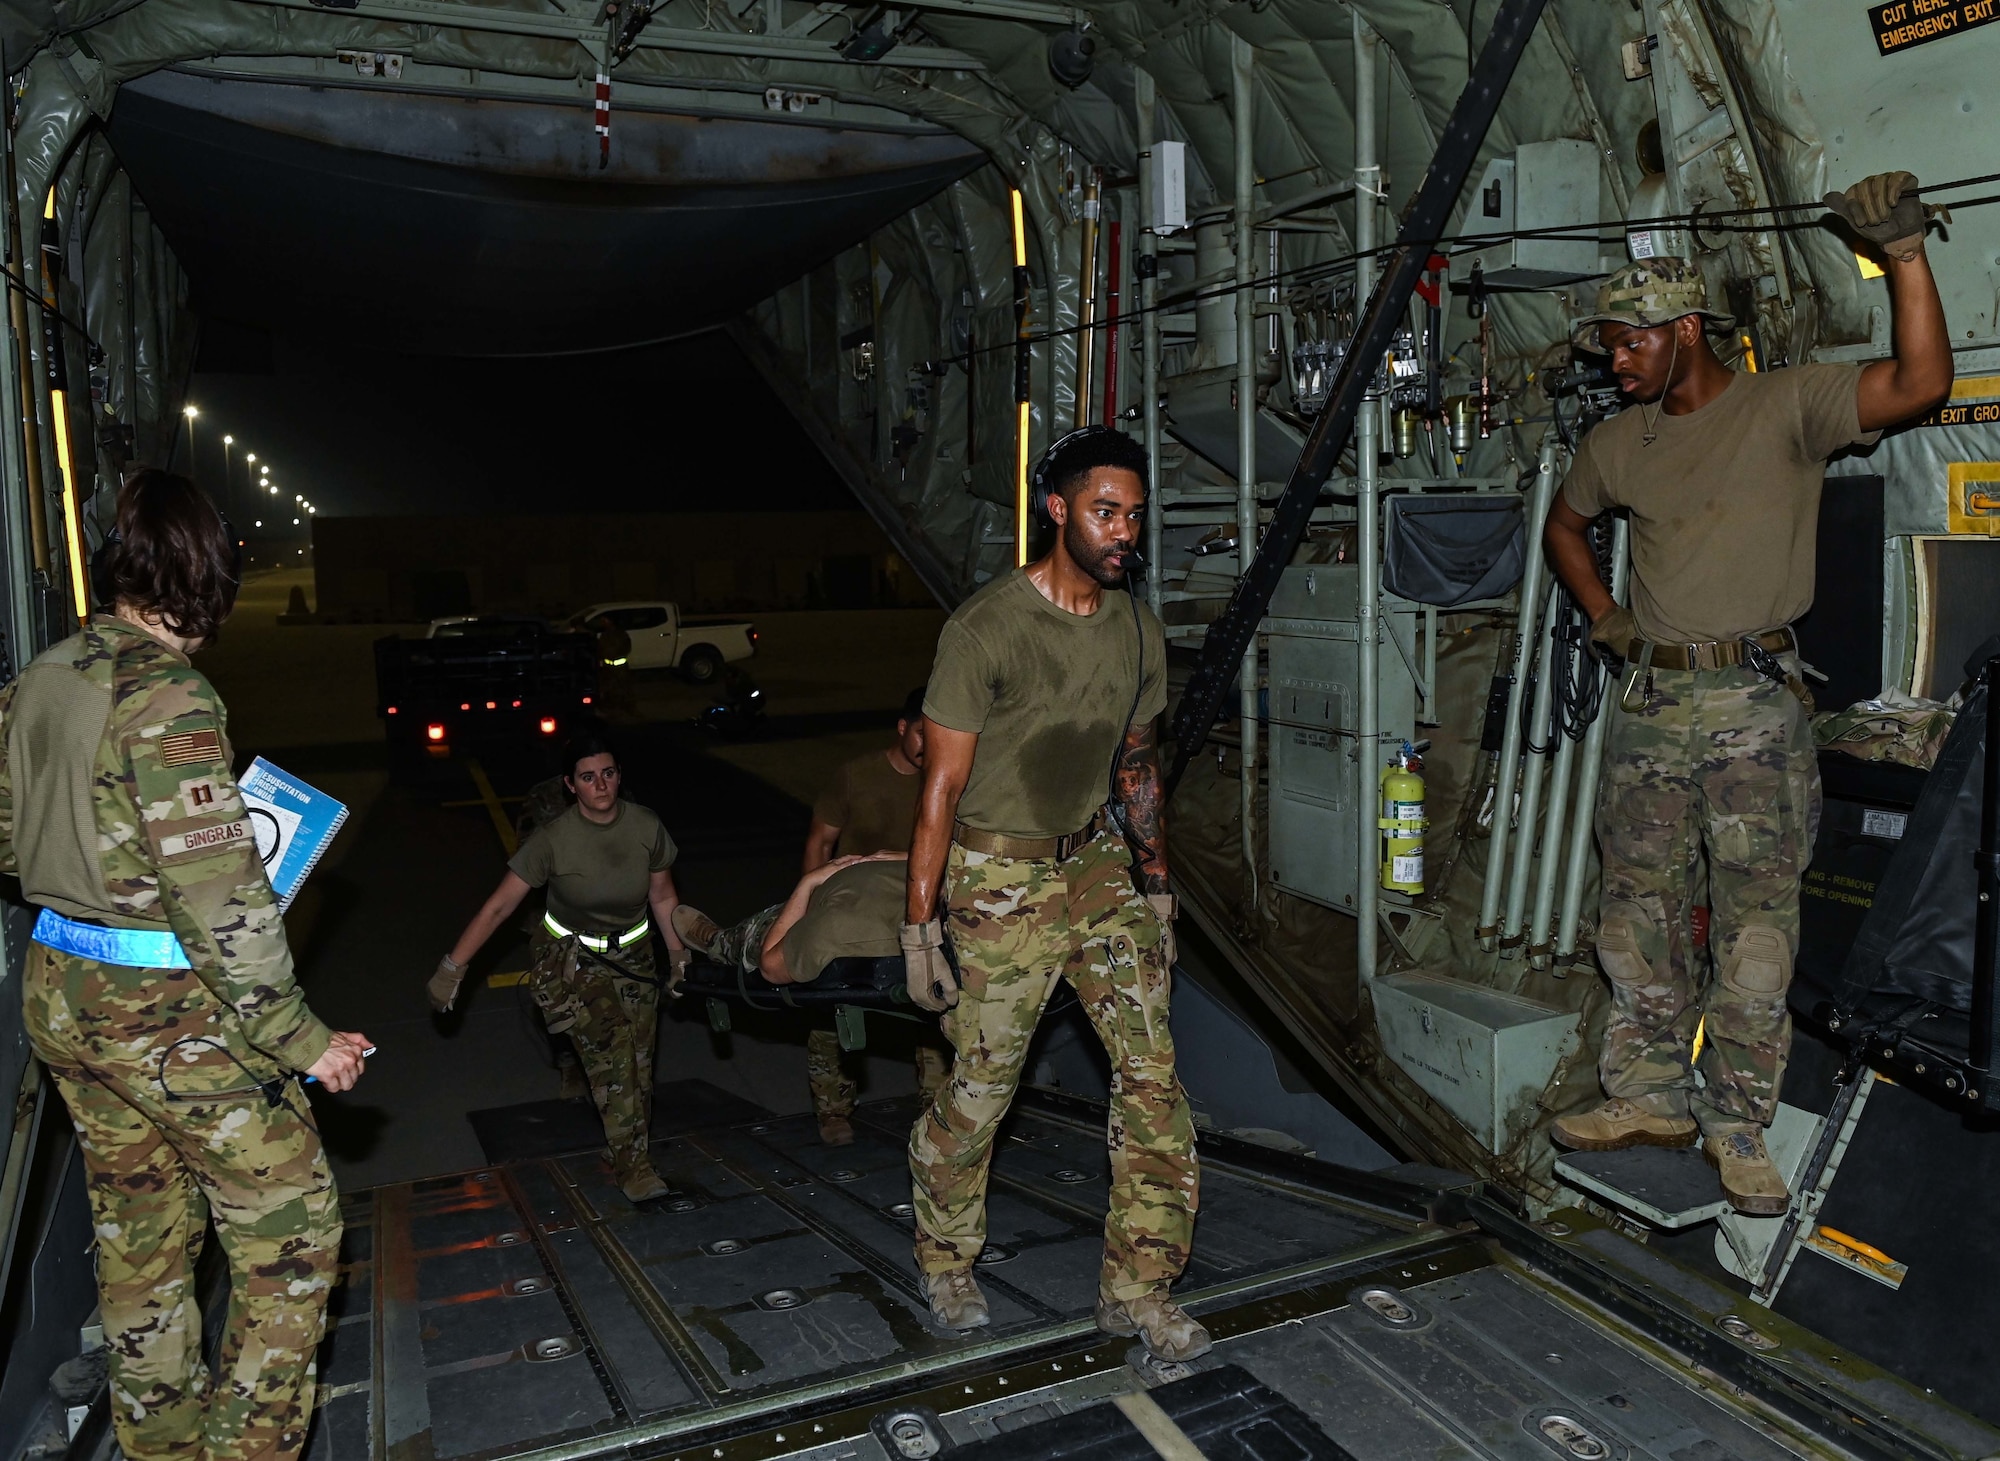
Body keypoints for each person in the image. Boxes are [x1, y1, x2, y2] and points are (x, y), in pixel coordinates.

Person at [1543, 173, 1953, 1215]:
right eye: (1606, 344)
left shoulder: (1786, 405)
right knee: (1631, 919)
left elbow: (1917, 386)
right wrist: (1606, 618)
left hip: (1751, 713)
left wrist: (1901, 254)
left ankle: (1736, 1126)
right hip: (1648, 708)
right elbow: (1563, 525)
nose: (1613, 360)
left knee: (1755, 936)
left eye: (1629, 341)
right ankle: (1644, 1097)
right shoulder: (1614, 439)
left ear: (1685, 330)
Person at [0, 469, 369, 1461]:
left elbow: (8, 841)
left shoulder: (44, 676)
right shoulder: (168, 695)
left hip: (64, 996)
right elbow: (220, 899)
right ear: (203, 579)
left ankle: (160, 1446)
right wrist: (303, 1041)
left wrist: (104, 857)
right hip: (167, 1019)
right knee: (293, 1235)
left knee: (142, 1243)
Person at [901, 426, 1204, 1360]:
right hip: (997, 880)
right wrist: (920, 927)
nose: (1126, 534)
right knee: (984, 1088)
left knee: (1153, 1079)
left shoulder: (1136, 628)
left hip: (1097, 868)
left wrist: (1153, 886)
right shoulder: (985, 629)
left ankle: (1140, 1287)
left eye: (1136, 517)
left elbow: (1139, 766)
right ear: (1058, 509)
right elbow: (940, 790)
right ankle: (945, 1254)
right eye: (1107, 513)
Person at [430, 729, 690, 1201]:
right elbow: (499, 908)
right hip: (572, 960)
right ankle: (635, 1167)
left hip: (633, 956)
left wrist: (677, 955)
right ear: (571, 785)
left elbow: (663, 894)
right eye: (588, 777)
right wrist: (453, 967)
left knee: (640, 1061)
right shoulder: (554, 840)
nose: (601, 785)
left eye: (608, 773)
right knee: (613, 1060)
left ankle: (624, 1146)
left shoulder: (646, 826)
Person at [799, 687, 948, 1144]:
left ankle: (936, 1109)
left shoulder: (946, 782)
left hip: (914, 910)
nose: (929, 745)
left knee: (932, 1006)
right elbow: (820, 843)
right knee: (831, 1009)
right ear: (902, 728)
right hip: (851, 912)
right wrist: (811, 908)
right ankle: (833, 1110)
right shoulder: (855, 776)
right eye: (923, 734)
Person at [672, 851, 905, 989]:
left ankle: (720, 943)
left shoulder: (837, 929)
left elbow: (770, 966)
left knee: (759, 936)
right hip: (850, 887)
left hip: (820, 911)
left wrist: (808, 882)